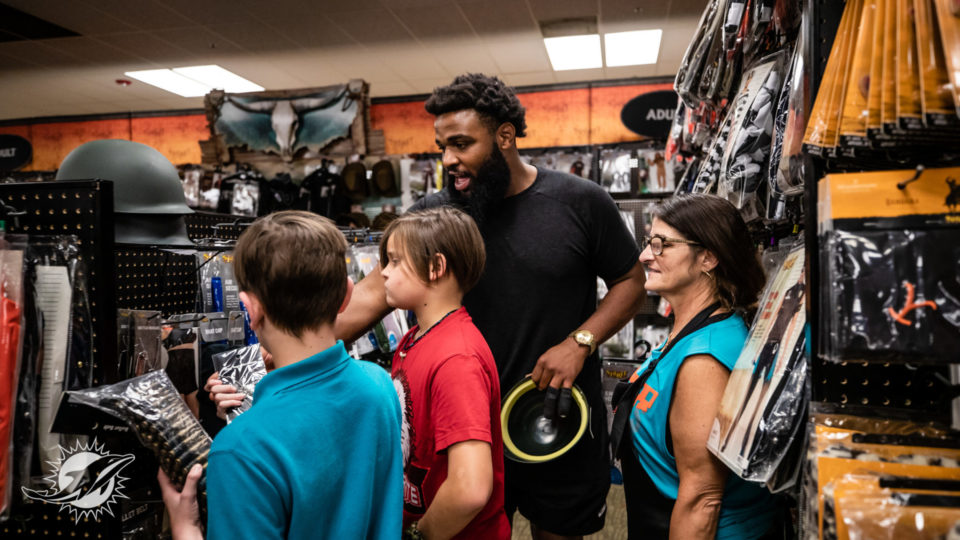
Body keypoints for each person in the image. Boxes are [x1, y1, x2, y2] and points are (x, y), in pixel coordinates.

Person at [334, 73, 647, 539]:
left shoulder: (580, 202)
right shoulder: (433, 218)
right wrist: (283, 353)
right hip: (463, 431)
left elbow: (631, 281)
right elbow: (370, 298)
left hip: (555, 417)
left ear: (505, 136)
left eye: (461, 144)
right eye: (442, 146)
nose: (448, 160)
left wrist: (580, 342)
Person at [159, 210, 403, 540]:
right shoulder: (378, 385)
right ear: (347, 295)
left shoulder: (239, 450)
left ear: (250, 309)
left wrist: (185, 527)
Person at [613, 194, 779, 539]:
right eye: (648, 243)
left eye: (662, 245)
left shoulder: (704, 360)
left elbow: (702, 500)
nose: (645, 255)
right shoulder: (694, 332)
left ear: (707, 258)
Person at [380, 207, 510, 539]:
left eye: (395, 261)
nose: (383, 272)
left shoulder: (456, 359)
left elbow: (470, 489)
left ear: (436, 267)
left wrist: (419, 535)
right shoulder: (414, 339)